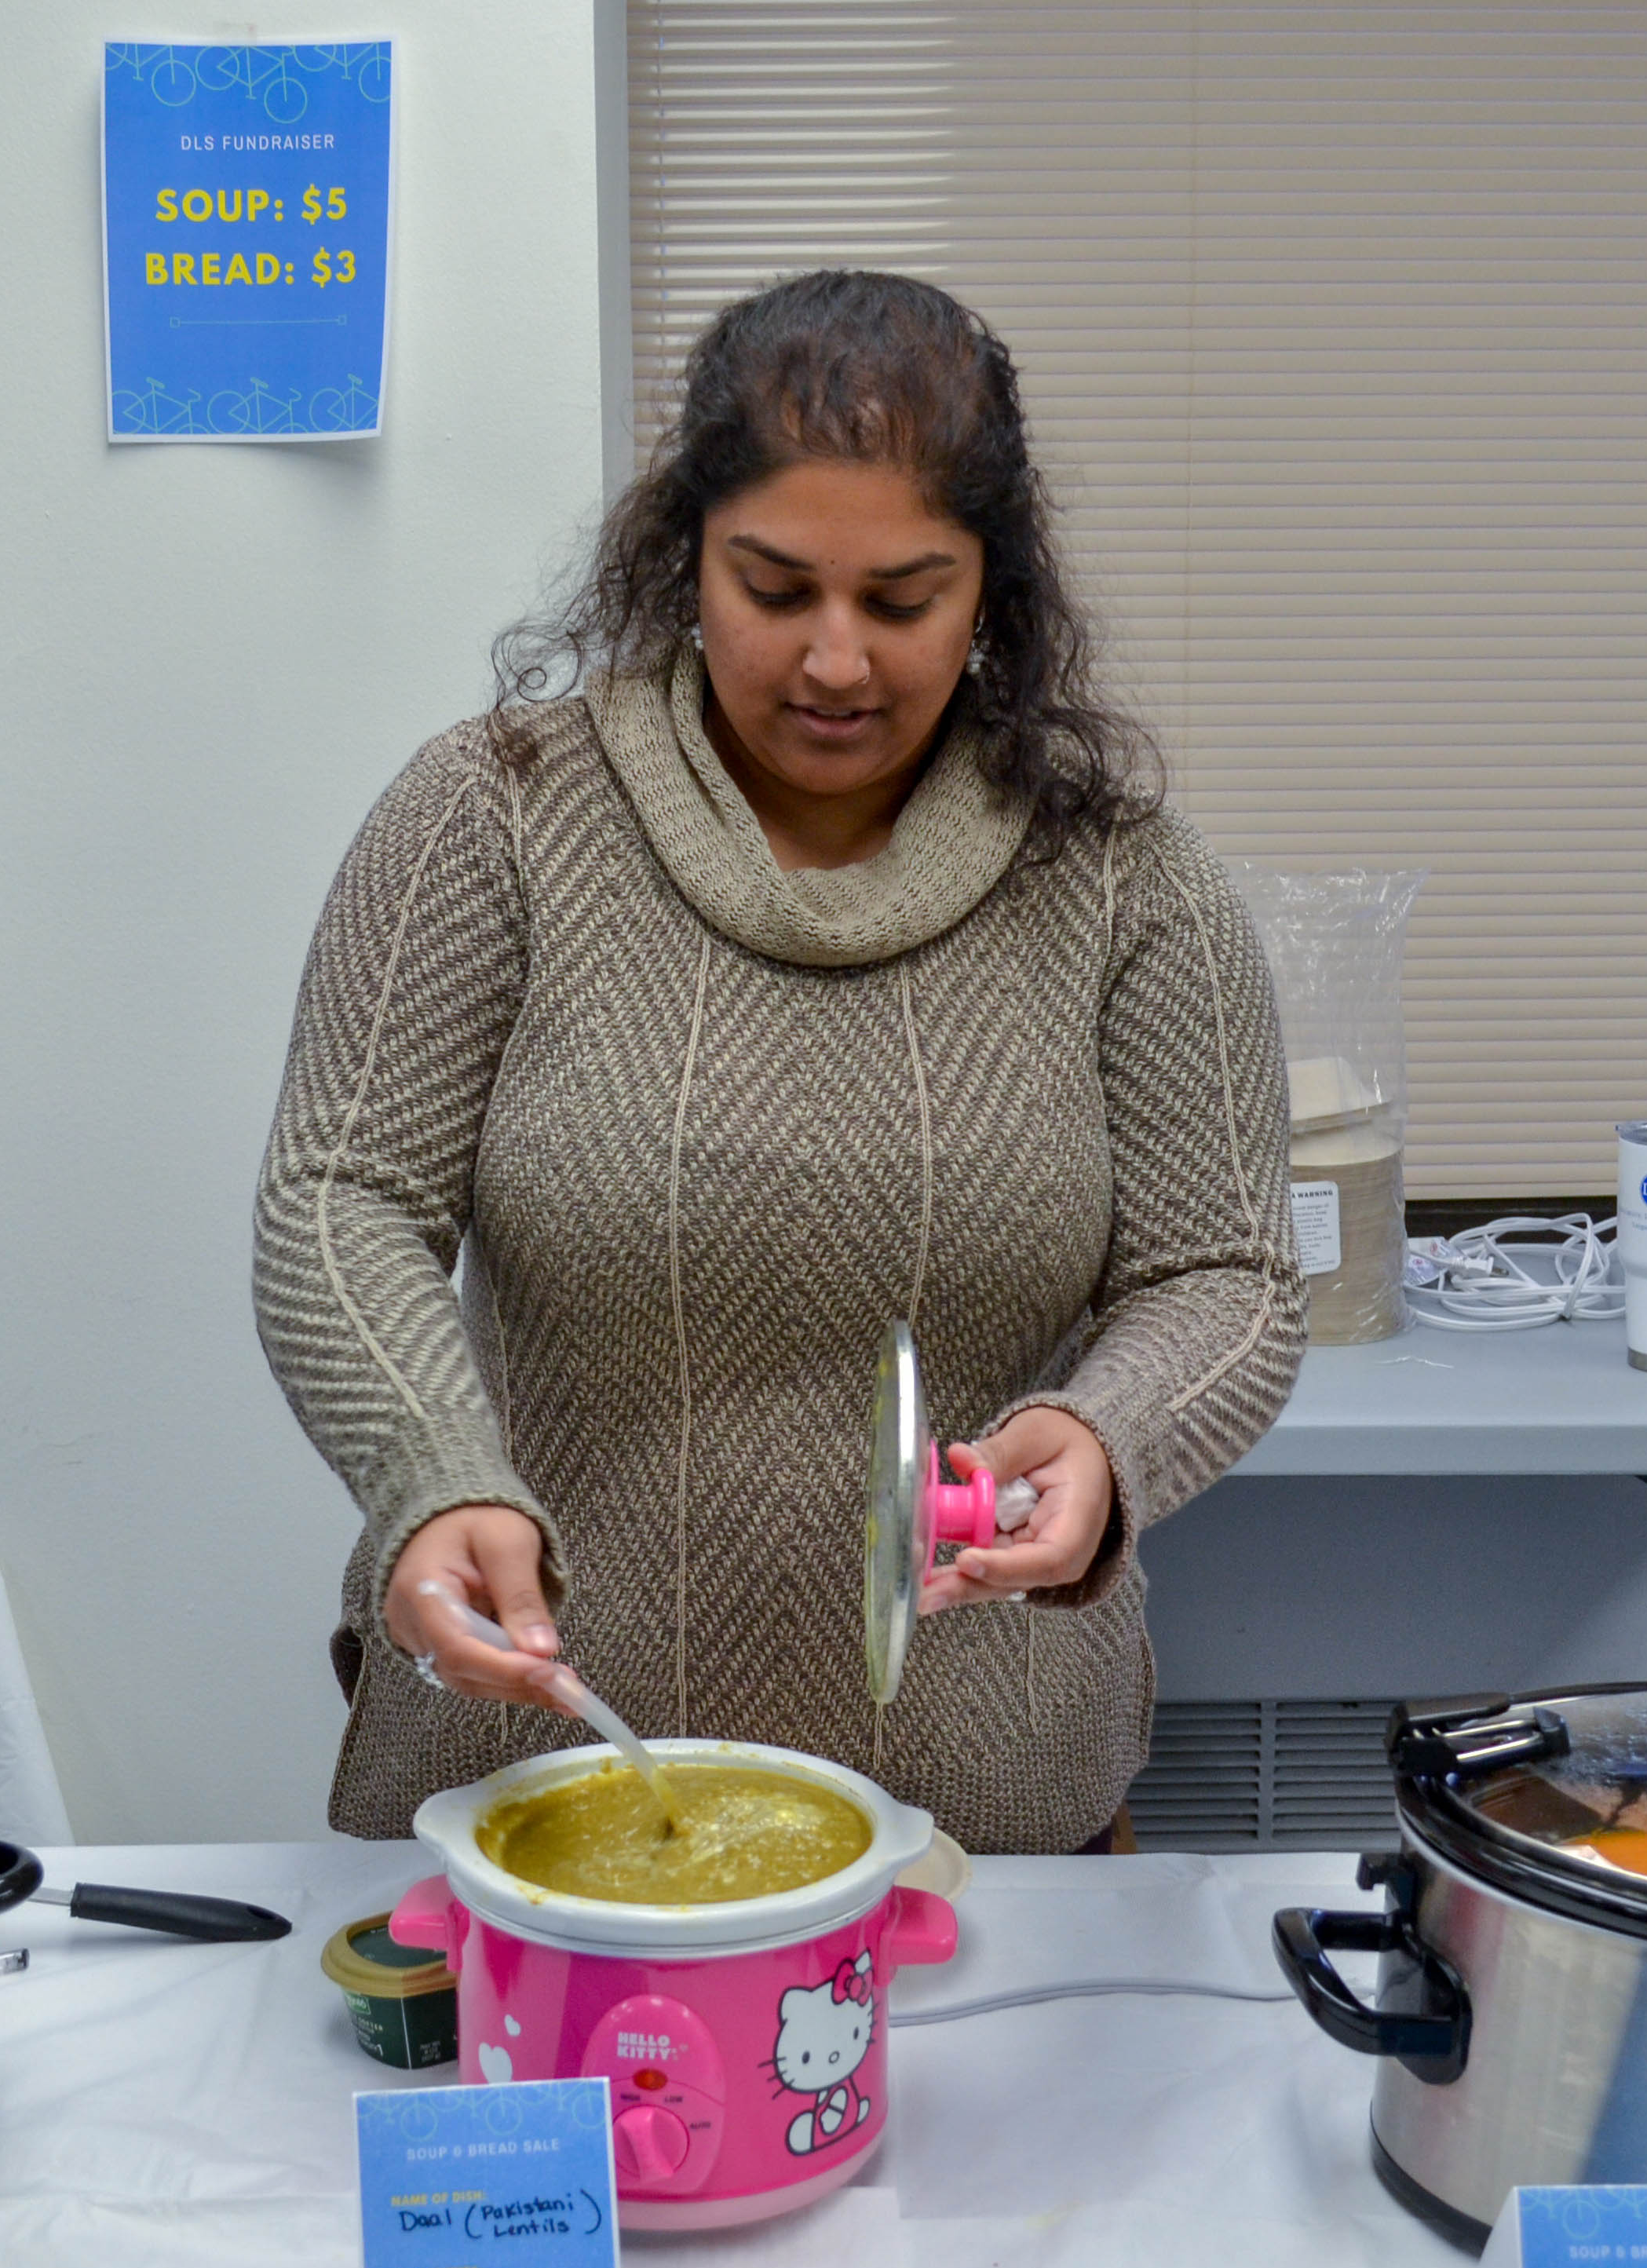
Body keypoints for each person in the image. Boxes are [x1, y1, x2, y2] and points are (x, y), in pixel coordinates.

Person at [254, 269, 1302, 1855]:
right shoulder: (493, 815)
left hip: (988, 1804)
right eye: (775, 587)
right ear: (683, 559)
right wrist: (434, 1471)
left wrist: (1107, 1438)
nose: (834, 662)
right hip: (540, 1775)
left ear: (992, 597)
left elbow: (1227, 1274)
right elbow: (340, 1200)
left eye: (902, 601)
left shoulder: (1121, 880)